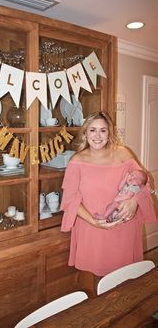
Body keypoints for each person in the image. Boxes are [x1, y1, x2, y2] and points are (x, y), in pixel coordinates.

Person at [60, 111, 156, 278]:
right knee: (95, 281)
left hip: (124, 227)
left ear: (109, 133)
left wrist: (134, 201)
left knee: (127, 279)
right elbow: (70, 200)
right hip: (92, 229)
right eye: (93, 130)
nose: (98, 135)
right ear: (85, 133)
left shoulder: (123, 153)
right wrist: (95, 223)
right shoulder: (77, 161)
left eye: (103, 130)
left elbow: (143, 181)